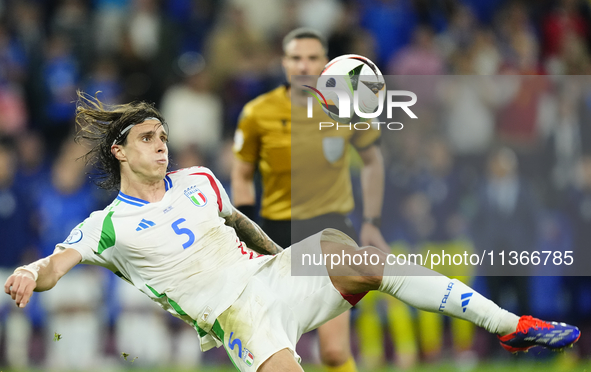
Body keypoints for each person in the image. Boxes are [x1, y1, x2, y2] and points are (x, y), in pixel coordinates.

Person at [5, 92, 581, 372]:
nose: (161, 143)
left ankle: (510, 326)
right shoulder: (107, 225)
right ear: (121, 150)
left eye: (162, 134)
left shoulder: (201, 178)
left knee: (347, 251)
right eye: (149, 137)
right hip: (236, 319)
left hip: (270, 277)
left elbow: (238, 222)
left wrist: (286, 262)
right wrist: (30, 273)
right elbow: (57, 264)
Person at [231, 27, 388, 372]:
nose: (304, 65)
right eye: (296, 58)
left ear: (326, 63)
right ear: (284, 63)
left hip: (330, 229)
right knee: (272, 347)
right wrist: (242, 234)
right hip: (273, 234)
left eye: (313, 58)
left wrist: (372, 222)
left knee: (333, 352)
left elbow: (373, 161)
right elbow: (242, 176)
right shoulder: (257, 113)